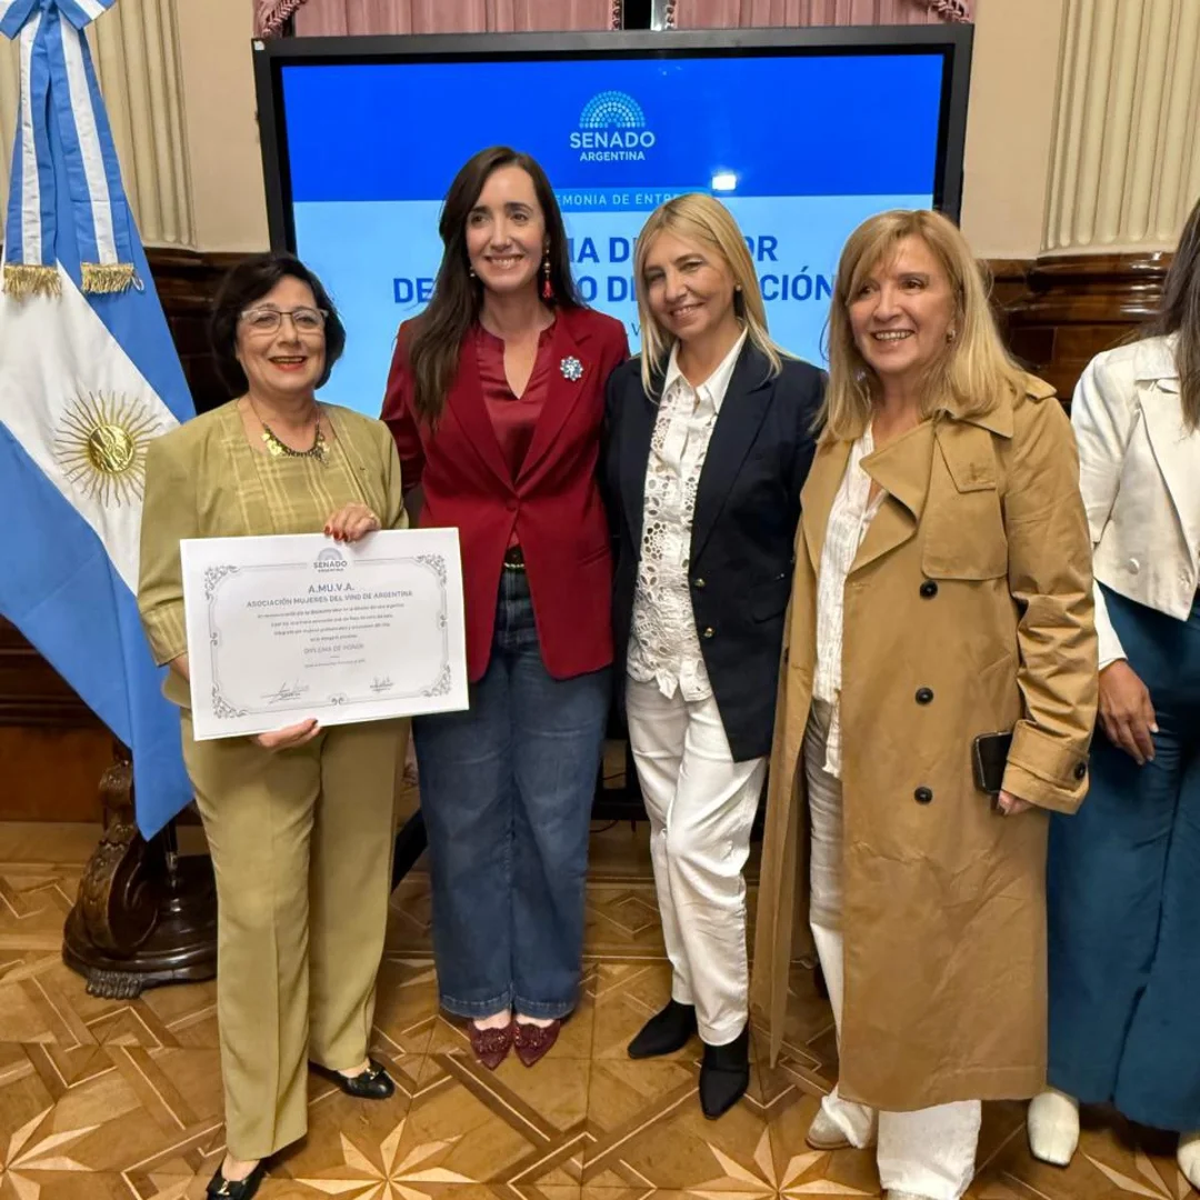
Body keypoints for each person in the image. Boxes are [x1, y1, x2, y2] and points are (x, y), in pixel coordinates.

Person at [750, 209, 1098, 1200]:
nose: (886, 307)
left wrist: (1044, 751)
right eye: (866, 288)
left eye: (912, 285)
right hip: (831, 726)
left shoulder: (1022, 419)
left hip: (942, 745)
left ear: (956, 305)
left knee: (932, 939)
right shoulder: (842, 427)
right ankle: (871, 1078)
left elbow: (1059, 601)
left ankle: (925, 1168)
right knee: (840, 918)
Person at [138, 253, 407, 1200]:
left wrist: (373, 532)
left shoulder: (370, 441)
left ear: (328, 336)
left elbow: (401, 565)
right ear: (234, 342)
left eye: (306, 318)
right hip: (245, 732)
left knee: (356, 876)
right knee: (257, 912)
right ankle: (256, 1124)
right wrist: (238, 704)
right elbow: (164, 601)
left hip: (362, 715)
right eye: (265, 319)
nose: (290, 336)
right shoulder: (187, 453)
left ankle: (340, 1044)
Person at [381, 146, 628, 1070]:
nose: (501, 235)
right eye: (482, 218)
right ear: (461, 236)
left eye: (518, 215)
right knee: (464, 811)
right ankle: (481, 989)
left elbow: (622, 469)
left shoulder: (599, 341)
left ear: (547, 230)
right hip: (456, 607)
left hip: (569, 604)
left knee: (558, 816)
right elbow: (395, 465)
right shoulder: (423, 343)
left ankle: (547, 986)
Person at [604, 194, 822, 1118]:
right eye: (654, 275)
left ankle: (726, 1033)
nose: (672, 290)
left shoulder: (800, 392)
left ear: (734, 270)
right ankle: (689, 996)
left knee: (701, 846)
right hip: (648, 659)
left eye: (690, 267)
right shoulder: (631, 387)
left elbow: (816, 548)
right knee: (666, 838)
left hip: (739, 671)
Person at [1027, 198, 1200, 1182]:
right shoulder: (1123, 378)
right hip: (1138, 654)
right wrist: (1102, 663)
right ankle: (1062, 1073)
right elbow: (1064, 539)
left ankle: (1180, 1095)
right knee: (1098, 879)